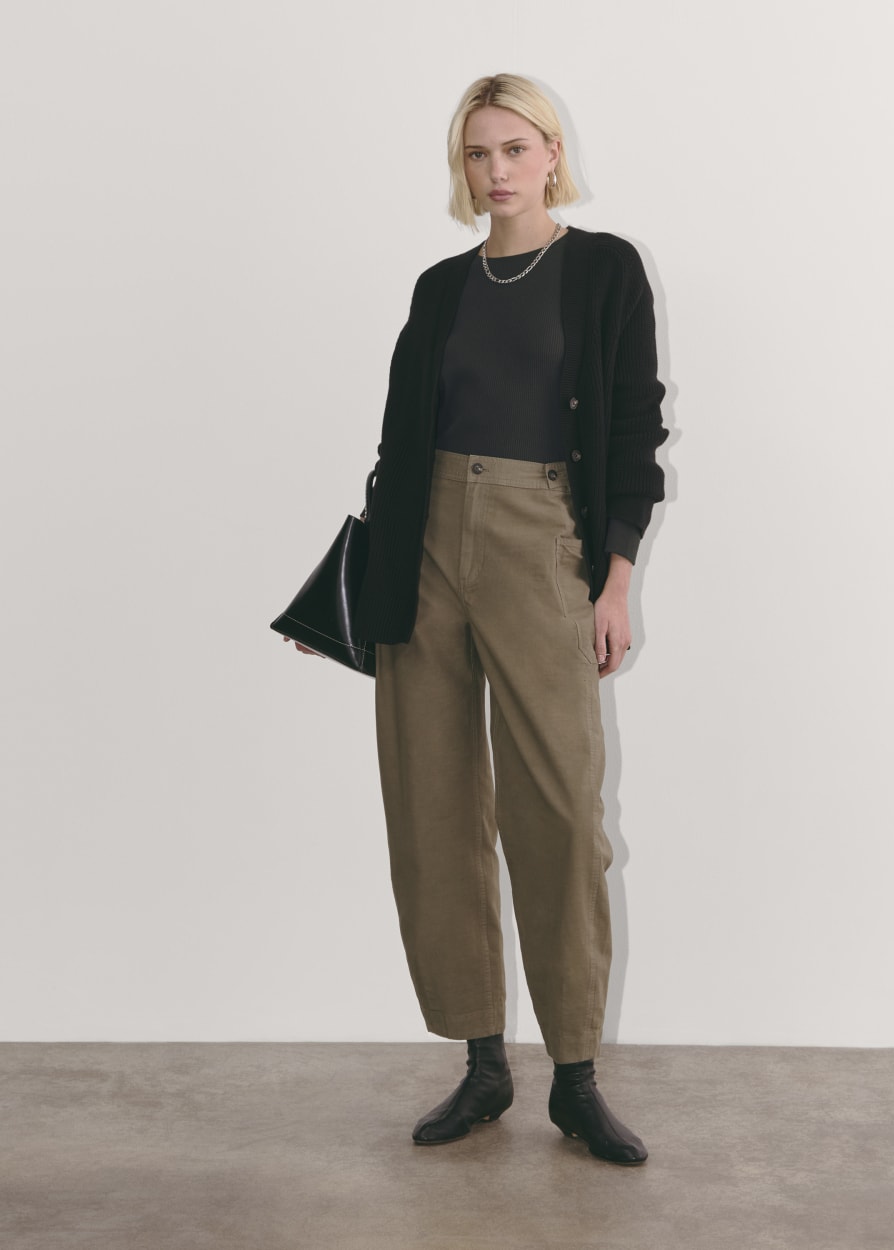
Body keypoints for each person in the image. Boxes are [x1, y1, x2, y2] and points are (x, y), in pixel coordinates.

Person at [292, 73, 668, 1165]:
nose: (496, 171)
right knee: (434, 806)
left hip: (540, 541)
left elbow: (634, 431)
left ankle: (576, 1078)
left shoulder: (604, 269)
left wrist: (614, 580)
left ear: (551, 153)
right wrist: (365, 584)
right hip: (424, 550)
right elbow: (398, 444)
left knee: (560, 811)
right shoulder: (439, 287)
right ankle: (482, 1061)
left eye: (513, 148)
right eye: (476, 153)